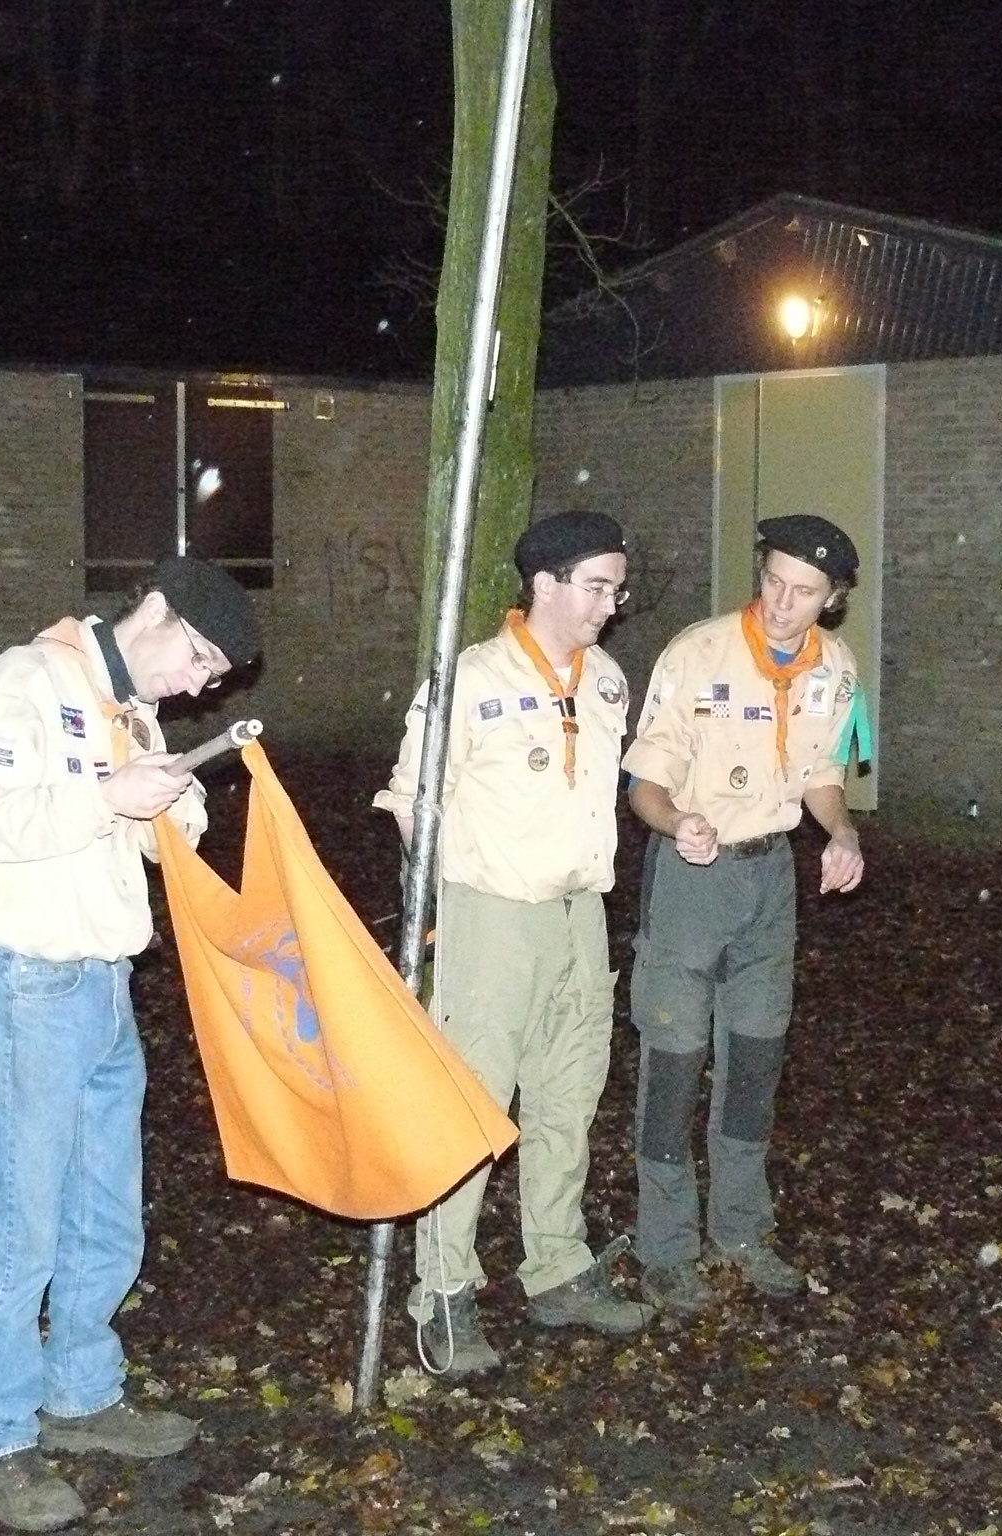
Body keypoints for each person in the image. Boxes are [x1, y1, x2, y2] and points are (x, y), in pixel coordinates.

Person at [0, 555, 261, 1531]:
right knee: (23, 1229)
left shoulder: (132, 714)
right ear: (153, 611)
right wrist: (107, 796)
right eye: (198, 658)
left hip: (106, 988)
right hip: (29, 988)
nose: (199, 684)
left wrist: (173, 802)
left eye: (214, 676)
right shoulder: (26, 681)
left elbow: (160, 833)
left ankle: (81, 1392)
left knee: (105, 1215)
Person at [374, 509, 653, 1375]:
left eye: (617, 589)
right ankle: (443, 1291)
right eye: (596, 587)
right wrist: (441, 904)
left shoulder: (608, 682)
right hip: (492, 915)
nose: (610, 605)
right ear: (545, 584)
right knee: (470, 1104)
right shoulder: (468, 681)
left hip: (580, 914)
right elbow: (411, 800)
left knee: (568, 1096)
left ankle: (558, 1266)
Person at [621, 515, 867, 1316]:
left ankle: (742, 1229)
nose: (782, 603)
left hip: (771, 882)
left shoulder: (837, 669)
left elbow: (822, 773)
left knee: (755, 1060)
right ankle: (666, 1247)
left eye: (804, 592)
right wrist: (675, 821)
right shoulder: (698, 653)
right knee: (674, 1061)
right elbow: (645, 781)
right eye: (773, 581)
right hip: (692, 880)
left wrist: (841, 832)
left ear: (833, 600)